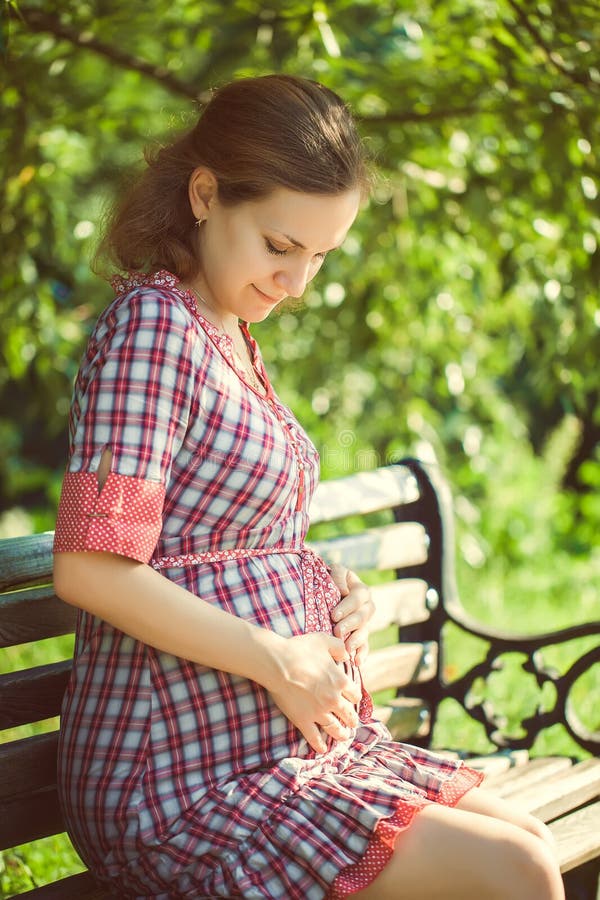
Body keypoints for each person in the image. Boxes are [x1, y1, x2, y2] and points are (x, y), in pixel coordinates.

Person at [52, 74, 564, 900]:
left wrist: (327, 590)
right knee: (517, 872)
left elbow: (223, 541)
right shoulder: (153, 329)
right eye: (281, 247)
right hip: (181, 774)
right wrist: (280, 657)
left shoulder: (227, 334)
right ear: (206, 194)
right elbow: (92, 567)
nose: (297, 285)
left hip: (270, 744)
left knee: (529, 842)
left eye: (320, 256)